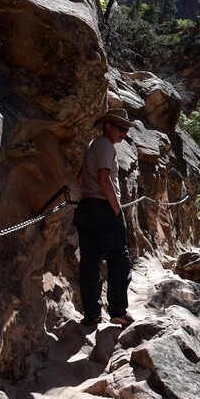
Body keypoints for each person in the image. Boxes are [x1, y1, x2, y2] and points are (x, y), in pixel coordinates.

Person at [73, 108, 134, 327]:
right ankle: (118, 310)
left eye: (126, 130)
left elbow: (80, 178)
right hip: (104, 209)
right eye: (121, 128)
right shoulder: (106, 146)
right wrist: (116, 209)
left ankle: (91, 315)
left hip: (86, 208)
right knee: (119, 260)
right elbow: (104, 178)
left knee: (89, 264)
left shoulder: (92, 145)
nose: (124, 133)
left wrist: (89, 197)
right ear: (108, 125)